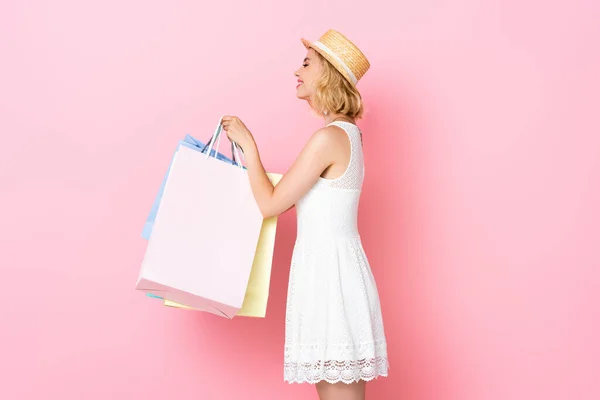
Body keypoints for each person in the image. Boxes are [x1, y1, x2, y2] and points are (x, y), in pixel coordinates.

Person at [221, 29, 388, 400]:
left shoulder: (328, 139)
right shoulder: (349, 135)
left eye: (307, 63)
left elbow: (270, 204)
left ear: (327, 73)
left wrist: (248, 145)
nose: (297, 71)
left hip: (330, 278)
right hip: (334, 274)